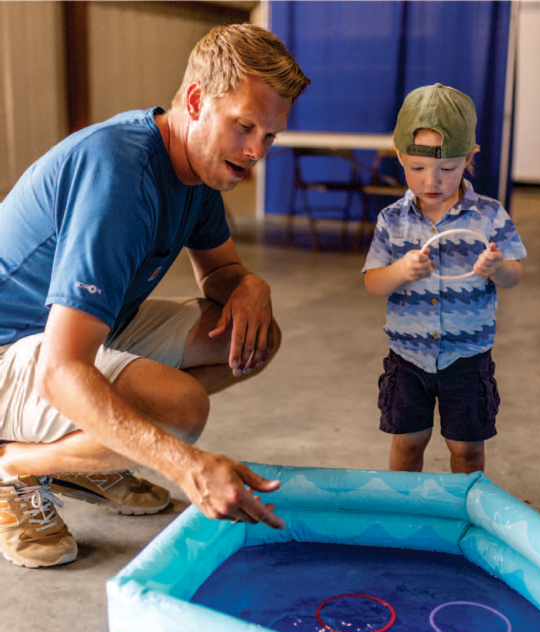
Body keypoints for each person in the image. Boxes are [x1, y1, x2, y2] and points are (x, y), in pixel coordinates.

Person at [0, 23, 310, 568]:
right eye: (244, 127)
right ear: (195, 100)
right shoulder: (119, 176)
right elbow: (59, 369)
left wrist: (251, 285)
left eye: (270, 136)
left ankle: (88, 457)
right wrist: (184, 463)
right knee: (180, 407)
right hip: (15, 346)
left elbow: (221, 273)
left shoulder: (202, 169)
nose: (256, 150)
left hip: (73, 329)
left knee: (254, 335)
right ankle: (15, 466)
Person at [363, 83, 526, 475]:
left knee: (466, 448)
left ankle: (463, 512)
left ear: (470, 158)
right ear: (399, 157)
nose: (431, 181)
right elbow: (372, 282)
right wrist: (400, 271)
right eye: (417, 168)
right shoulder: (392, 219)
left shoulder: (489, 215)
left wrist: (498, 267)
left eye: (447, 169)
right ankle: (405, 513)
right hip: (408, 358)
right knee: (407, 444)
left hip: (467, 357)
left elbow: (514, 274)